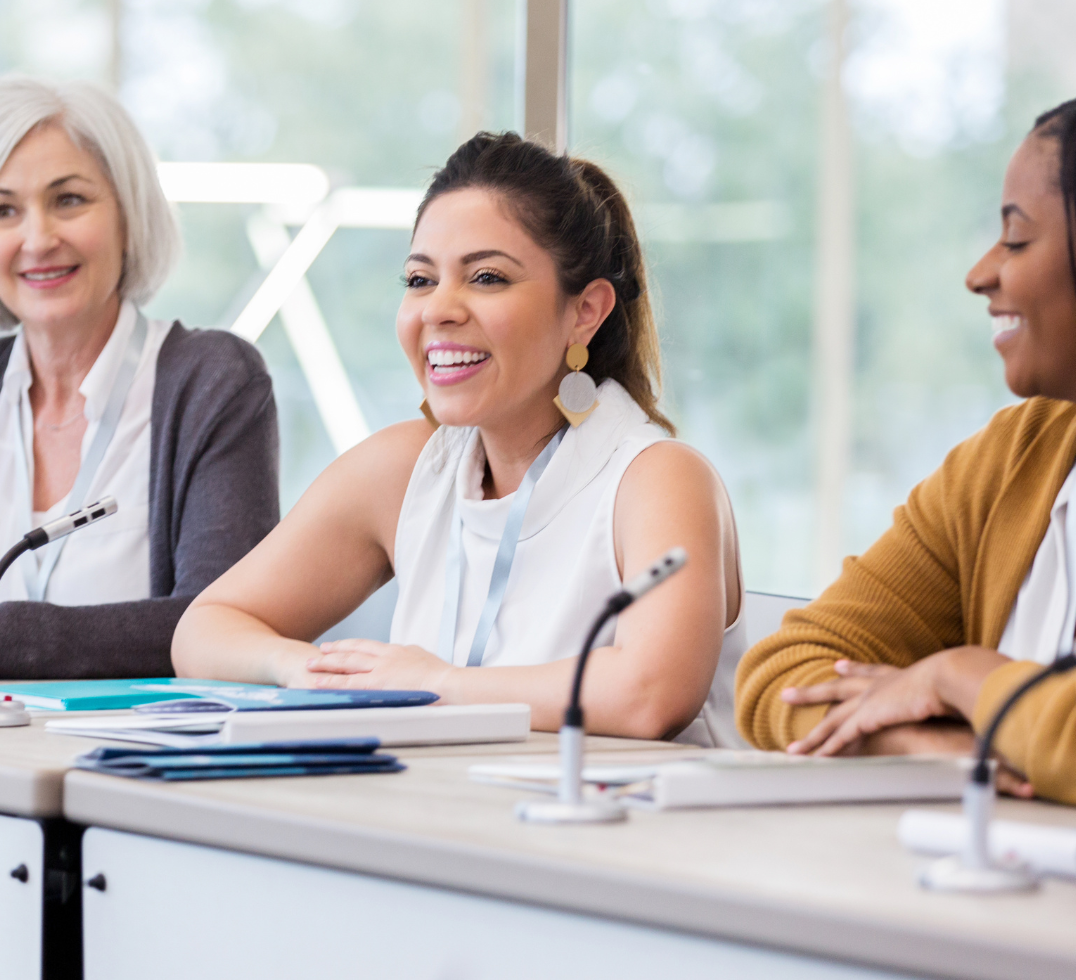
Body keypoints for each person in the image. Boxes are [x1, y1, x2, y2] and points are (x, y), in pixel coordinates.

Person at [173, 131, 745, 743]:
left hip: (616, 832)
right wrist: (310, 670)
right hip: (450, 820)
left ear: (585, 311)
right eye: (420, 281)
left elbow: (648, 695)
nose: (437, 309)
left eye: (488, 278)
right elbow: (205, 629)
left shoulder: (657, 476)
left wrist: (431, 684)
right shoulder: (405, 467)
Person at [735, 98, 1076, 805]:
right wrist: (934, 743)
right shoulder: (1010, 462)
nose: (980, 273)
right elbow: (782, 672)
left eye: (1015, 241)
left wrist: (960, 677)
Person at [0, 75, 279, 678]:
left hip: (131, 764)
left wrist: (15, 637)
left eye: (69, 199)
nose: (37, 239)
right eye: (4, 210)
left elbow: (221, 623)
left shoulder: (212, 382)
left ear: (130, 215)